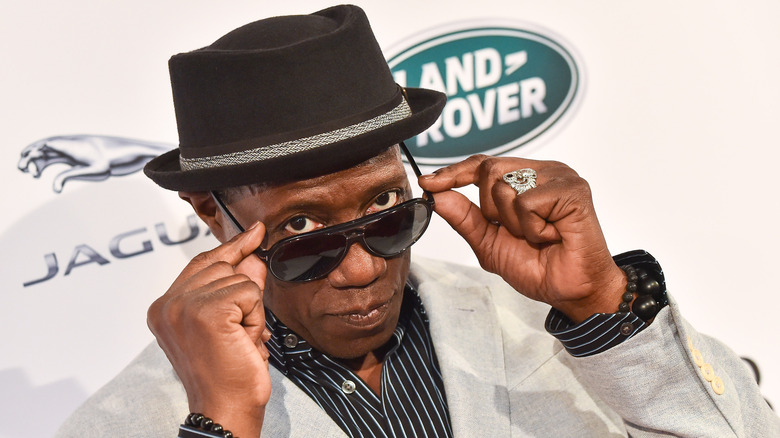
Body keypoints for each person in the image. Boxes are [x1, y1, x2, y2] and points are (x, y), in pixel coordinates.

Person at [56, 4, 779, 438]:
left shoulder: (540, 324)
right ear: (211, 214)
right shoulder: (133, 418)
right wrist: (221, 424)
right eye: (304, 231)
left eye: (383, 210)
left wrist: (601, 306)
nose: (365, 266)